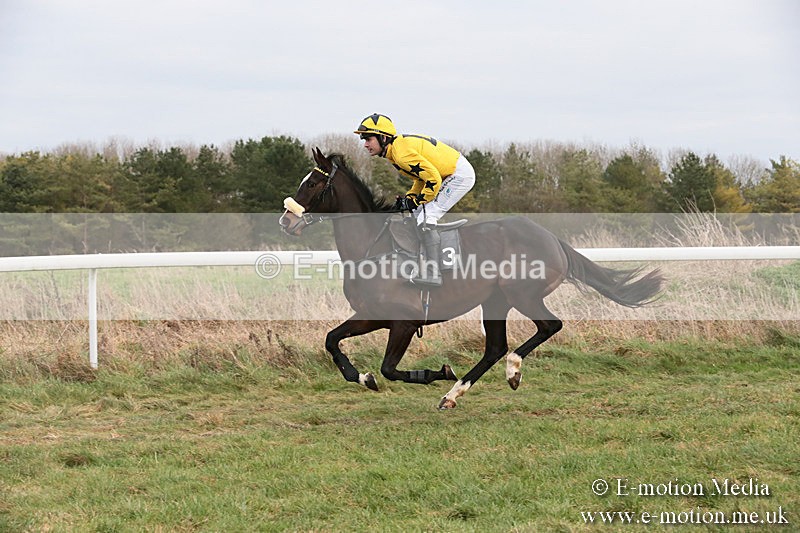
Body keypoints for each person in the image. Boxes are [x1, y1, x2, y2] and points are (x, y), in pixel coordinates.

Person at [354, 113, 476, 286]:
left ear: (383, 137)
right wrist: (410, 198)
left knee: (427, 216)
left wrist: (415, 201)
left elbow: (433, 179)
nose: (365, 145)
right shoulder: (395, 151)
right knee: (417, 213)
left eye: (368, 139)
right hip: (448, 174)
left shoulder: (401, 154)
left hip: (458, 175)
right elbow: (421, 178)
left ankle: (433, 273)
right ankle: (419, 262)